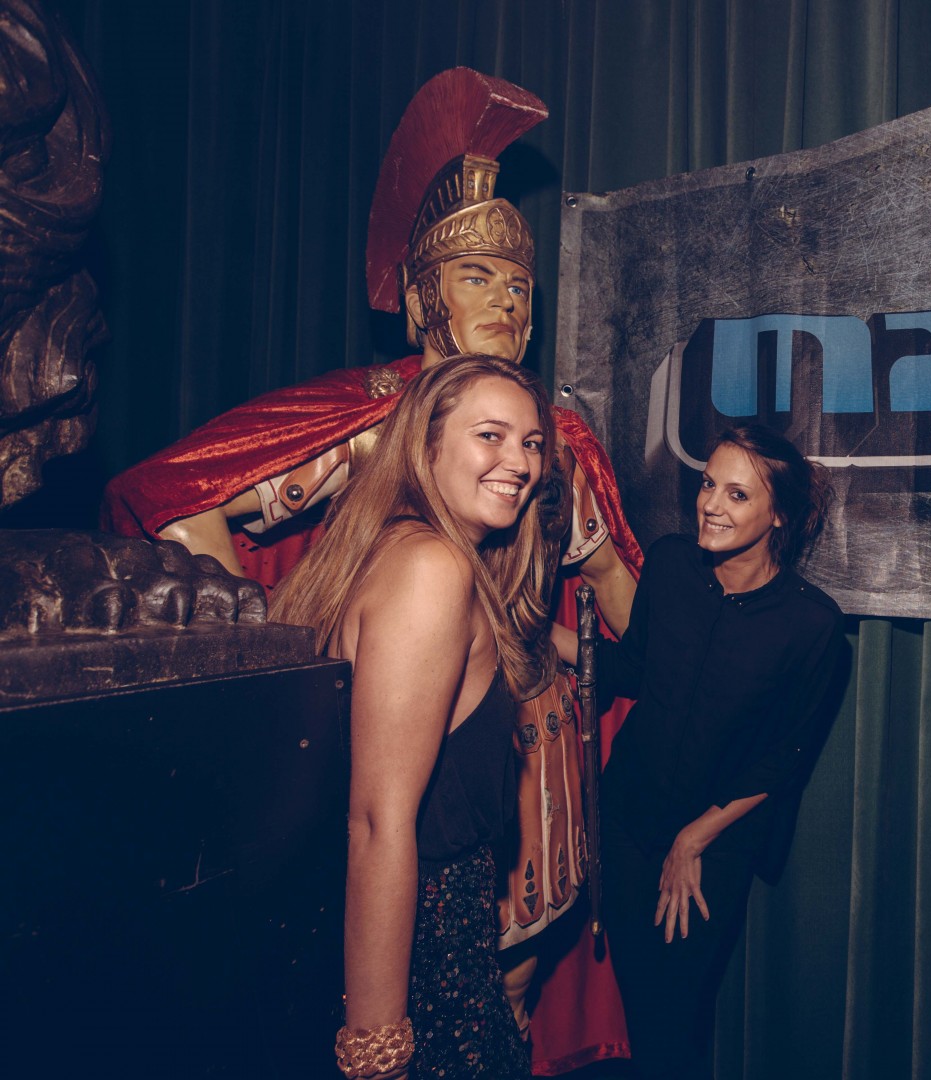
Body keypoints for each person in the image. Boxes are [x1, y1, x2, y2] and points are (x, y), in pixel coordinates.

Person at [99, 68, 639, 1069]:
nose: (507, 300)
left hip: (527, 767)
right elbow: (173, 496)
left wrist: (583, 601)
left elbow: (620, 610)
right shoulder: (373, 425)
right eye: (477, 277)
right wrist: (273, 651)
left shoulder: (559, 439)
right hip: (424, 807)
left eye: (519, 285)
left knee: (516, 994)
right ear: (427, 298)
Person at [272, 354, 561, 1080]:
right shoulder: (432, 567)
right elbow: (377, 822)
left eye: (531, 443)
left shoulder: (390, 549)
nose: (520, 462)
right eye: (490, 435)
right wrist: (377, 1052)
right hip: (424, 971)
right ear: (425, 445)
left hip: (405, 947)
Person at [552, 424, 847, 1079]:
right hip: (627, 824)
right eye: (709, 484)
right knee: (634, 1005)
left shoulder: (812, 624)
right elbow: (632, 669)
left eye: (737, 495)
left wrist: (693, 839)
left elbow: (786, 757)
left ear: (779, 515)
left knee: (676, 1019)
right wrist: (537, 631)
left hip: (711, 848)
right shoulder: (670, 564)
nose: (710, 504)